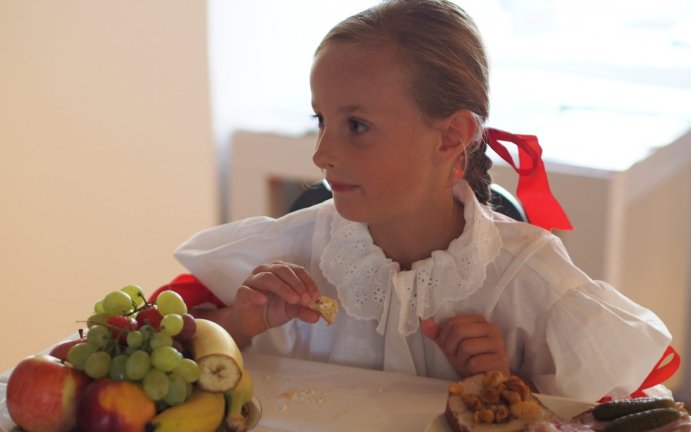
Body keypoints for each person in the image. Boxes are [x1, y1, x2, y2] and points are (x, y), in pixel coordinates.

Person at [172, 0, 675, 402]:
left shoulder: (527, 281)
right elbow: (170, 358)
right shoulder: (284, 255)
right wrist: (238, 323)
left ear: (450, 136)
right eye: (320, 120)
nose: (322, 154)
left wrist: (510, 387)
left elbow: (620, 425)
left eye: (357, 126)